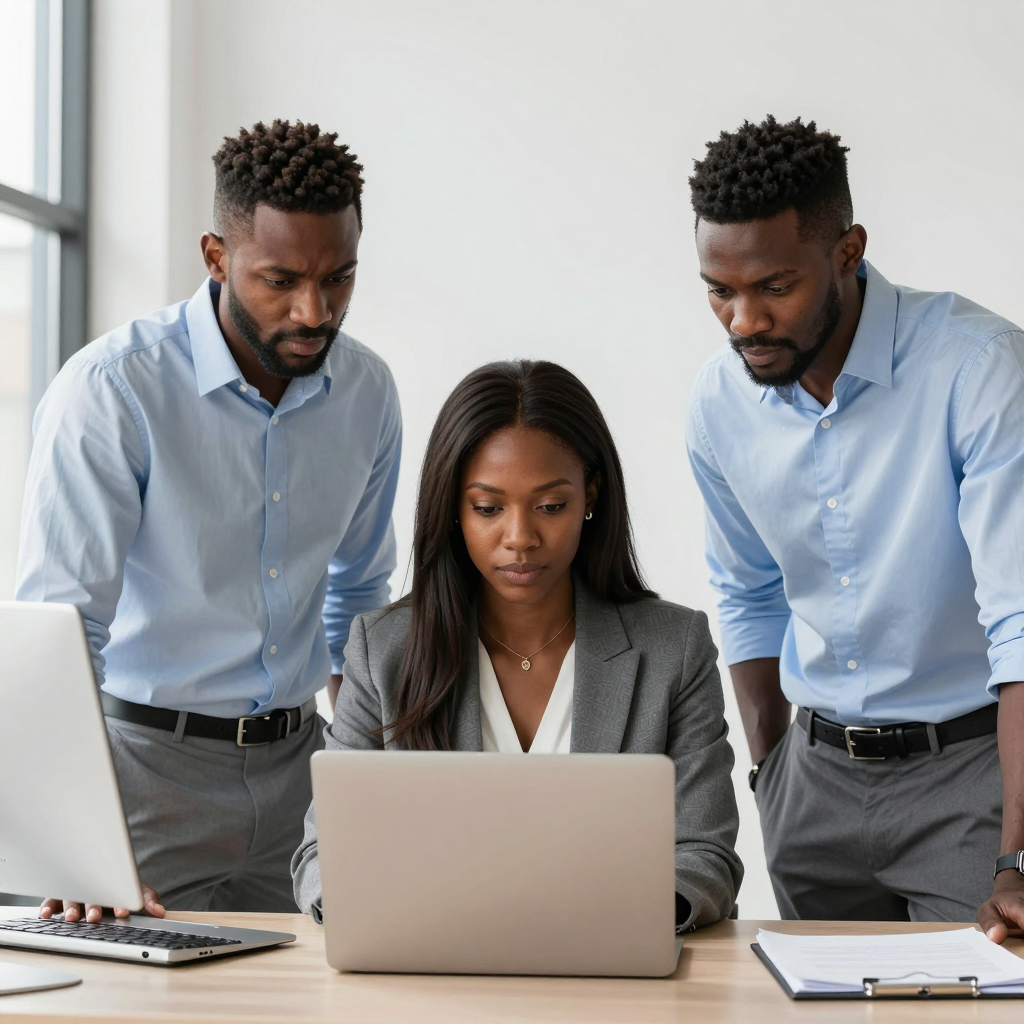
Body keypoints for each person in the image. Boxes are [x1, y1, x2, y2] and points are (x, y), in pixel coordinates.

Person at [18, 120, 401, 919]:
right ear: (217, 257)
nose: (314, 311)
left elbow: (359, 594)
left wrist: (370, 776)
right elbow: (62, 628)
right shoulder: (113, 392)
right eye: (281, 279)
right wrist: (72, 838)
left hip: (303, 772)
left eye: (339, 279)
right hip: (144, 775)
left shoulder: (367, 393)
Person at [685, 115, 1024, 938]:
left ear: (847, 250)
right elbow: (746, 592)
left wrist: (1019, 858)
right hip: (813, 788)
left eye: (773, 287)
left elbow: (1020, 623)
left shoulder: (978, 371)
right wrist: (772, 777)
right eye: (719, 291)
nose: (742, 322)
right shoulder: (718, 404)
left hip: (971, 780)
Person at [292, 359, 742, 930]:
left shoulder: (672, 648)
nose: (520, 538)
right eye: (488, 508)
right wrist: (375, 908)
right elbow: (320, 856)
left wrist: (619, 922)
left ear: (591, 497)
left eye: (551, 506)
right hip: (430, 968)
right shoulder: (383, 649)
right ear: (452, 508)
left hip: (608, 975)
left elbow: (706, 856)